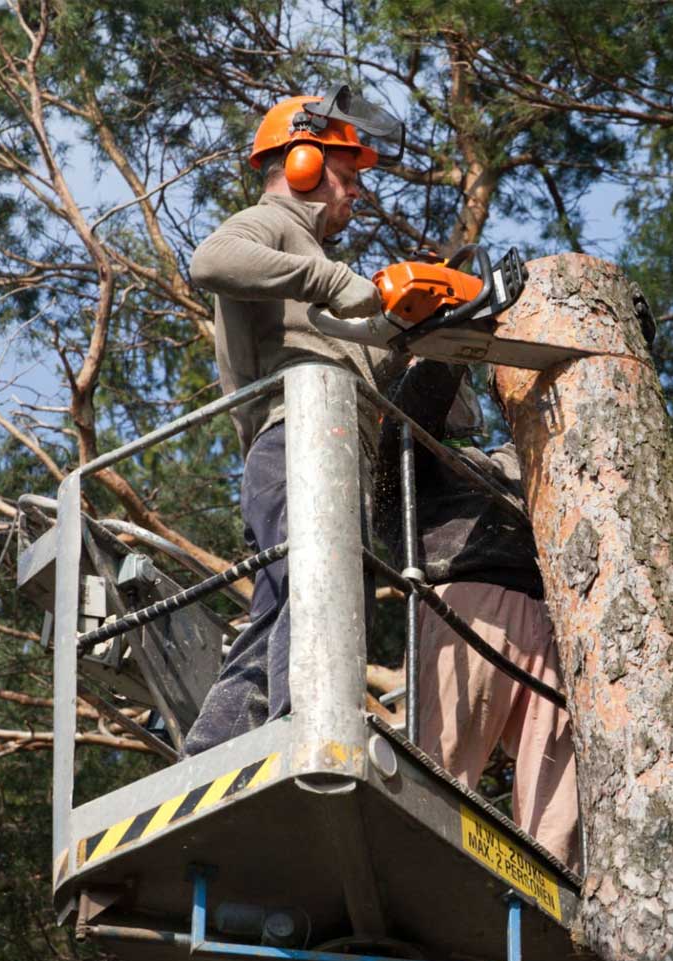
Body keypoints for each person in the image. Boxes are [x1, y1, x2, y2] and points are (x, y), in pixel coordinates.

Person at [183, 86, 407, 754]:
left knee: (287, 598)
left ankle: (219, 746)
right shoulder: (272, 227)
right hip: (297, 441)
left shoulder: (318, 263)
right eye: (347, 176)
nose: (358, 194)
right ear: (303, 162)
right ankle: (303, 727)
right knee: (319, 585)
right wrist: (331, 283)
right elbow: (209, 262)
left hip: (334, 447)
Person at [376, 360, 580, 872]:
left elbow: (559, 422)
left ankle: (554, 886)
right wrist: (447, 348)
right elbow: (416, 403)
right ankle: (422, 870)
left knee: (565, 788)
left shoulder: (496, 463)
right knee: (442, 763)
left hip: (552, 615)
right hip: (470, 601)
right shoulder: (404, 454)